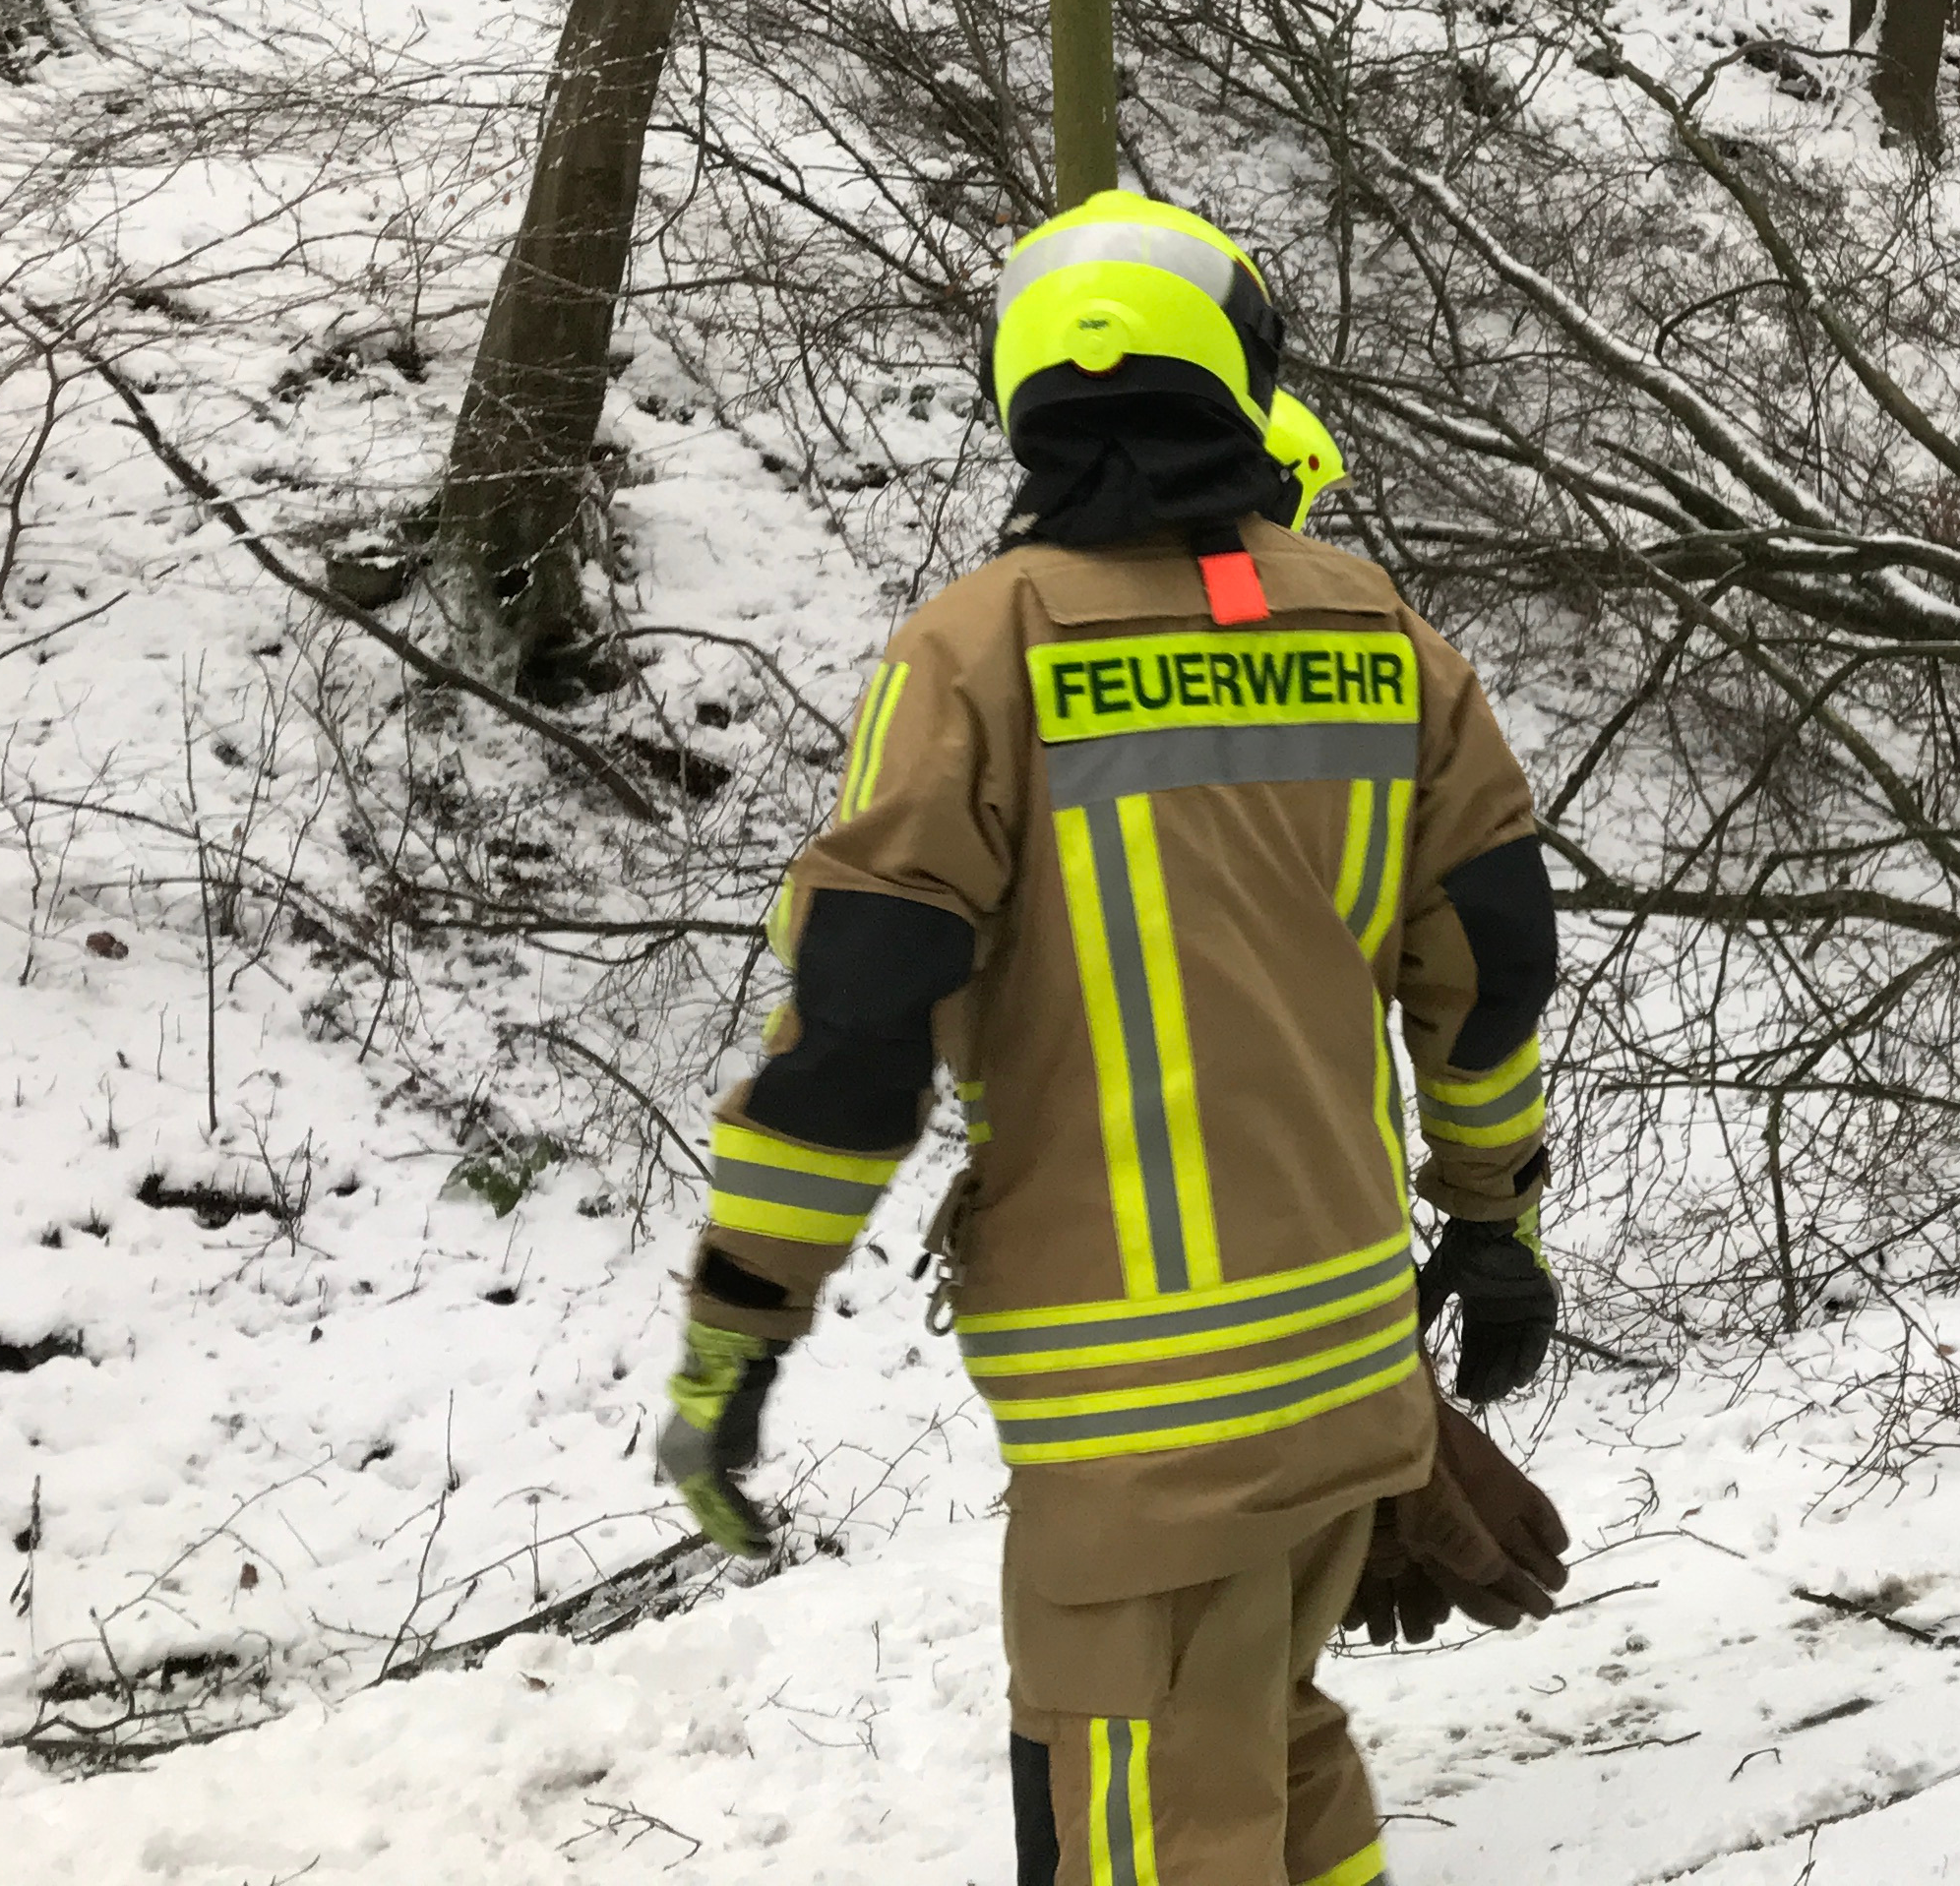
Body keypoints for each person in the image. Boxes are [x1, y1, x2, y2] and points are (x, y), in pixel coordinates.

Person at [654, 190, 1570, 1886]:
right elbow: (1493, 970)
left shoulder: (978, 649)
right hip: (1351, 1363)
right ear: (1242, 369)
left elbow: (856, 1031)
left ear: (1024, 390)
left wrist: (740, 1320)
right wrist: (1494, 1217)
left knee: (1154, 1822)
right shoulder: (1381, 636)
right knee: (1277, 1748)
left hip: (1140, 1415)